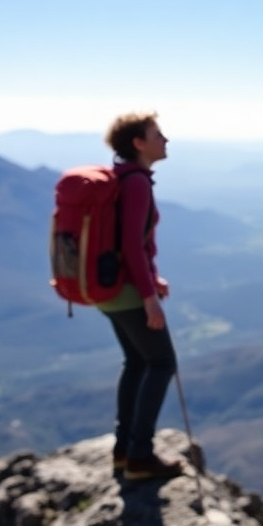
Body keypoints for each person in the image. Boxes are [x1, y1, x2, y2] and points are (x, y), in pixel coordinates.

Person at [98, 112, 183, 482]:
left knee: (136, 362)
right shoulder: (136, 185)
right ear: (139, 143)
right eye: (157, 134)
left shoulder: (123, 179)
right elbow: (131, 245)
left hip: (110, 290)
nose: (165, 140)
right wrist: (148, 296)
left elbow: (127, 244)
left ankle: (124, 451)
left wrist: (152, 276)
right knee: (162, 363)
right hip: (129, 293)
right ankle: (140, 456)